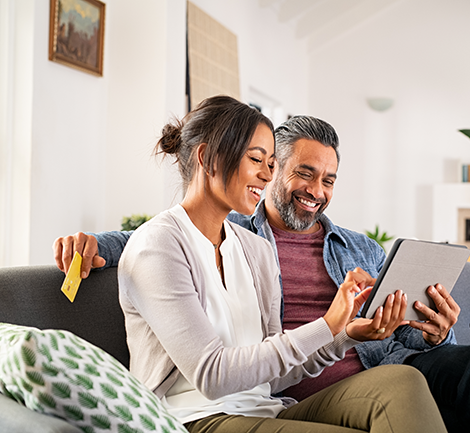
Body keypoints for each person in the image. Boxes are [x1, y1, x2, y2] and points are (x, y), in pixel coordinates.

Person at [54, 113, 470, 433]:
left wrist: (421, 333)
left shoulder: (271, 249)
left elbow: (381, 336)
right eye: (297, 171)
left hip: (335, 377)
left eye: (328, 179)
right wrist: (96, 244)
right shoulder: (194, 238)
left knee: (459, 367)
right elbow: (161, 242)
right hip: (222, 406)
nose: (315, 188)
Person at [96, 95, 447, 433]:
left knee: (402, 382)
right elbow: (212, 375)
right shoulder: (157, 245)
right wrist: (326, 324)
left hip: (266, 408)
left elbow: (276, 376)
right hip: (194, 418)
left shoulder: (254, 248)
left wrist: (345, 335)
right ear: (208, 158)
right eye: (256, 159)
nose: (266, 176)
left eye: (270, 164)